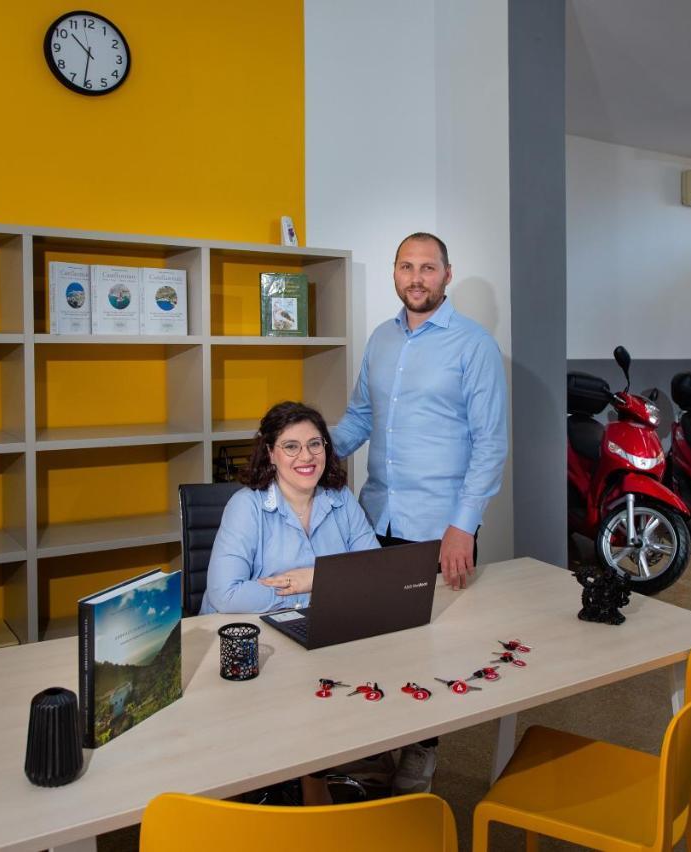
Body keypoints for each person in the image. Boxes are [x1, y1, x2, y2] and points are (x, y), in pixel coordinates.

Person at [332, 231, 508, 794]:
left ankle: (421, 754)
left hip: (439, 525)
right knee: (376, 639)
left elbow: (490, 443)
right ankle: (384, 738)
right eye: (406, 267)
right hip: (373, 514)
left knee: (431, 644)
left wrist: (464, 525)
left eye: (428, 268)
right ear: (394, 273)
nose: (416, 278)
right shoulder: (381, 340)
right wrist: (305, 451)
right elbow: (360, 418)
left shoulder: (473, 345)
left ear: (447, 275)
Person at [201, 401, 379, 615]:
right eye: (291, 446)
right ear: (270, 453)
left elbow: (374, 570)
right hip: (245, 633)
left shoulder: (342, 498)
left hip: (324, 621)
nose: (306, 456)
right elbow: (227, 596)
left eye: (314, 444)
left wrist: (314, 578)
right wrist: (312, 589)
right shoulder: (246, 506)